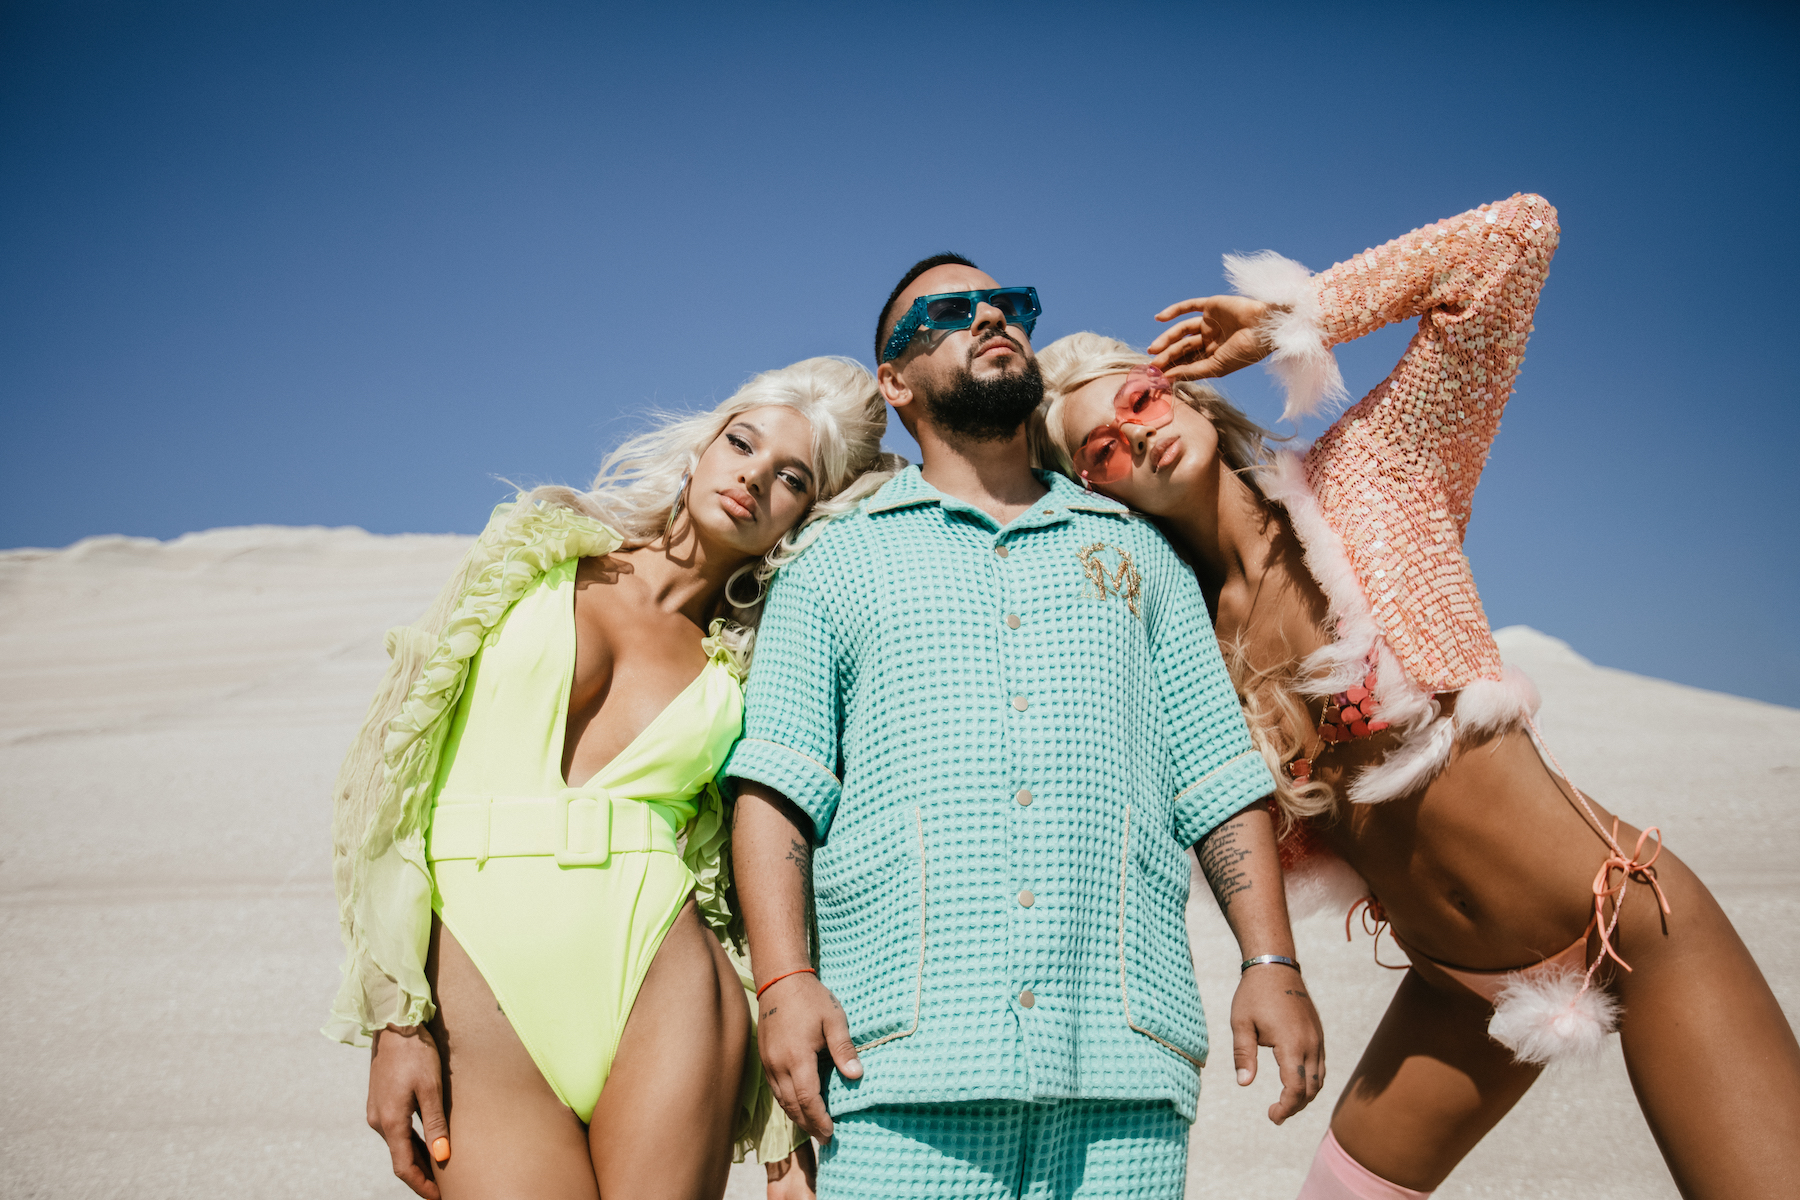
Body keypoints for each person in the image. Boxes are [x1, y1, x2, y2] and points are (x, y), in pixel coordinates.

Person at [1034, 193, 1800, 1199]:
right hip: (1456, 994)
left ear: (1181, 390)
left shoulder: (1373, 474)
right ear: (1094, 490)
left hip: (1629, 929)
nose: (1135, 436)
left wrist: (1290, 316)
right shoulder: (1180, 641)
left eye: (1139, 400)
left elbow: (1516, 239)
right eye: (1099, 448)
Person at [726, 256, 1326, 1200]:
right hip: (896, 1071)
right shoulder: (833, 561)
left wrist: (1271, 961)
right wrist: (784, 983)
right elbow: (777, 789)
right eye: (950, 312)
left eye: (1007, 305)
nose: (990, 317)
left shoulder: (1140, 554)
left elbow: (1216, 774)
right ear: (895, 380)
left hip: (1123, 1071)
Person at [324, 357, 900, 1200]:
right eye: (742, 444)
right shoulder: (534, 554)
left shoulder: (748, 667)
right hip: (477, 971)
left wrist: (780, 1141)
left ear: (803, 517)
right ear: (701, 448)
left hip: (664, 975)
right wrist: (395, 1019)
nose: (753, 478)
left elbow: (745, 869)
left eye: (793, 479)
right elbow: (389, 776)